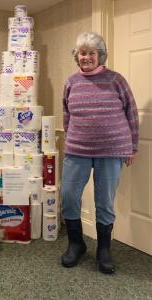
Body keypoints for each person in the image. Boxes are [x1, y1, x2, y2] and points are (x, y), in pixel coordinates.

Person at [61, 32, 139, 274]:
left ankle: (104, 249)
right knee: (69, 197)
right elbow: (66, 116)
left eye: (91, 53)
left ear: (100, 55)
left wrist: (132, 146)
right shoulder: (71, 82)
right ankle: (76, 243)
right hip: (77, 150)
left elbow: (132, 113)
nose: (86, 57)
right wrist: (73, 137)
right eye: (82, 53)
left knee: (104, 202)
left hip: (111, 150)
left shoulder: (117, 80)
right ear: (77, 56)